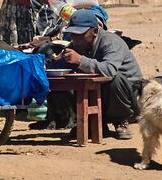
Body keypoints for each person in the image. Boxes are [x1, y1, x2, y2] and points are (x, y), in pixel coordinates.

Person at [61, 9, 143, 140]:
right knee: (69, 80)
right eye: (73, 34)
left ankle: (121, 121)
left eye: (79, 34)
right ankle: (94, 123)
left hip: (128, 96)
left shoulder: (111, 42)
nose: (75, 38)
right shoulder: (78, 44)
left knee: (114, 79)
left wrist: (81, 60)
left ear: (94, 31)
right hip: (102, 93)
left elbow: (109, 70)